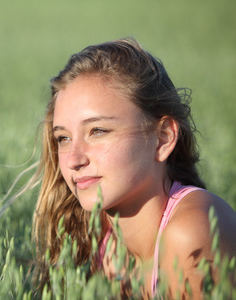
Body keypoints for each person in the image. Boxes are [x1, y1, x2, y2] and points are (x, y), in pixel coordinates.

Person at [30, 37, 236, 298]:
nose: (73, 160)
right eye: (63, 138)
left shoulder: (191, 233)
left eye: (98, 131)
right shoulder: (99, 236)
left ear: (163, 138)